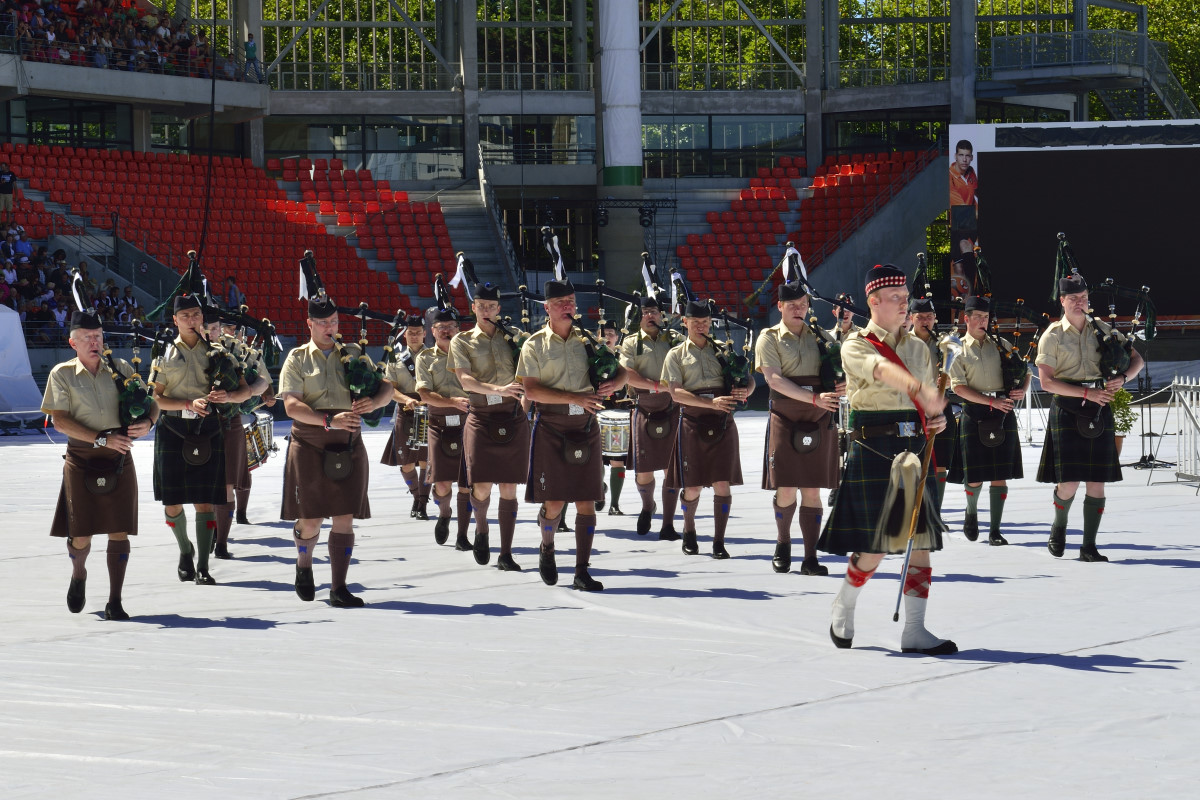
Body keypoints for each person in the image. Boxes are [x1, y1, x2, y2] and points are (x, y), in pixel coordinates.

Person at [817, 264, 956, 656]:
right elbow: (878, 370)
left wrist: (937, 418)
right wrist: (915, 387)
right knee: (876, 546)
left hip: (916, 448)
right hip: (875, 448)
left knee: (921, 541)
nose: (903, 304)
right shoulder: (856, 344)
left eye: (904, 298)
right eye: (895, 298)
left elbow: (928, 398)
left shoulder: (918, 347)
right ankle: (844, 602)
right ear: (873, 302)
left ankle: (915, 630)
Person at [42, 309, 158, 619]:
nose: (95, 342)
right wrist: (100, 439)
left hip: (119, 458)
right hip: (82, 458)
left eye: (98, 336)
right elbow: (60, 421)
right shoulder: (61, 374)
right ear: (73, 342)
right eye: (87, 338)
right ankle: (79, 572)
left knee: (118, 530)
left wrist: (147, 422)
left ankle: (115, 601)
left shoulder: (119, 369)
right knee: (82, 533)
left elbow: (152, 402)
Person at [278, 292, 392, 607]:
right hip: (310, 443)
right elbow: (291, 406)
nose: (330, 327)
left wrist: (375, 402)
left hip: (349, 442)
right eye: (323, 322)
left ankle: (338, 588)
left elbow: (387, 387)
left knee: (345, 517)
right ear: (310, 324)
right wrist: (329, 420)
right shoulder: (298, 358)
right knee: (311, 520)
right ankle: (304, 563)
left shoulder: (355, 353)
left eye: (334, 321)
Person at [517, 277, 625, 591]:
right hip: (551, 425)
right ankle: (547, 547)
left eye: (572, 302)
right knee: (553, 503)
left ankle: (581, 571)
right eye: (562, 303)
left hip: (586, 425)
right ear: (547, 308)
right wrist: (573, 398)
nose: (569, 307)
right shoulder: (534, 344)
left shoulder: (588, 340)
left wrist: (613, 384)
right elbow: (532, 390)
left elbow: (619, 371)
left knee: (586, 502)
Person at [1035, 271, 1144, 562]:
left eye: (1083, 298)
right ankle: (1059, 527)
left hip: (1099, 408)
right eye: (1073, 299)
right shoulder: (1052, 335)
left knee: (1097, 480)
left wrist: (1122, 378)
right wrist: (1085, 394)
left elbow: (1137, 359)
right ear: (1062, 301)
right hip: (1069, 408)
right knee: (1068, 482)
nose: (1079, 303)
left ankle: (1089, 546)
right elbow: (1046, 382)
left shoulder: (1104, 330)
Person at [150, 294, 251, 585]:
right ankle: (185, 550)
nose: (192, 320)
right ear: (175, 320)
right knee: (172, 503)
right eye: (185, 316)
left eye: (196, 315)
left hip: (208, 429)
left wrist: (229, 396)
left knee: (205, 502)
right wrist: (186, 403)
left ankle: (204, 566)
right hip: (174, 430)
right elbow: (156, 398)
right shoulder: (164, 355)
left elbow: (245, 391)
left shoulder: (220, 352)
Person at [756, 282, 844, 575]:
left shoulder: (822, 337)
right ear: (779, 306)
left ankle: (810, 558)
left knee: (812, 489)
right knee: (785, 488)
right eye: (791, 305)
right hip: (785, 415)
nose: (798, 309)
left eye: (803, 304)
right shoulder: (768, 338)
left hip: (819, 417)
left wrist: (842, 384)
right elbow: (774, 381)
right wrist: (814, 397)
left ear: (809, 305)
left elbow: (840, 372)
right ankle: (783, 542)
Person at [448, 283, 530, 570]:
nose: (486, 310)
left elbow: (529, 378)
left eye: (491, 306)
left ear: (499, 309)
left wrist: (523, 407)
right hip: (481, 417)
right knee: (481, 486)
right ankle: (481, 528)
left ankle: (506, 553)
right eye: (481, 305)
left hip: (513, 416)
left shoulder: (515, 339)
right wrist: (500, 389)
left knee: (509, 486)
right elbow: (466, 381)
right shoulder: (462, 341)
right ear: (473, 308)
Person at [660, 299, 751, 558]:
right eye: (696, 322)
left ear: (711, 323)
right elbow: (676, 393)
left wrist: (745, 390)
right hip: (693, 420)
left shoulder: (724, 350)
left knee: (722, 484)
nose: (701, 326)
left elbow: (749, 379)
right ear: (685, 322)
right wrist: (709, 402)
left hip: (722, 420)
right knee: (693, 486)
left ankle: (719, 542)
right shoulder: (675, 354)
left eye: (706, 322)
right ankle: (689, 531)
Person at [947, 295, 1029, 546]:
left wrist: (1022, 389)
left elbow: (1025, 371)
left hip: (1002, 411)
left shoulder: (1002, 344)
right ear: (967, 319)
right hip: (975, 413)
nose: (983, 321)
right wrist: (990, 402)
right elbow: (959, 388)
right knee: (974, 475)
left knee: (1000, 473)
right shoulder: (956, 348)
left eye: (986, 317)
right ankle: (971, 512)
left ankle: (995, 530)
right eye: (978, 317)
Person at [617, 295, 682, 540]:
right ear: (640, 316)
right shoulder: (631, 343)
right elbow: (627, 374)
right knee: (644, 471)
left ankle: (668, 525)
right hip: (644, 404)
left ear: (661, 315)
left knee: (670, 468)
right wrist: (657, 386)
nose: (650, 315)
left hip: (672, 406)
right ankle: (647, 506)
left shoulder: (673, 340)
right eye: (646, 312)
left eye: (654, 311)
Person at [209, 313, 271, 558]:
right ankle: (210, 532)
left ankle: (222, 539)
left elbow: (263, 381)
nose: (211, 333)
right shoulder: (189, 354)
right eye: (208, 329)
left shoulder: (236, 354)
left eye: (215, 328)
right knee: (204, 486)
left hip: (230, 419)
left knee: (228, 481)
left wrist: (245, 395)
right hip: (198, 424)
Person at [416, 307, 474, 551]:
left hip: (469, 423)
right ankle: (445, 513)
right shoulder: (425, 358)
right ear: (433, 331)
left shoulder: (470, 354)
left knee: (466, 483)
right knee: (441, 485)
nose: (447, 331)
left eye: (451, 327)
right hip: (439, 423)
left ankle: (462, 535)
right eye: (441, 327)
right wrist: (452, 402)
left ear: (458, 329)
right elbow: (424, 393)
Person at [380, 313, 431, 519]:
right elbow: (390, 389)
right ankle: (416, 497)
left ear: (425, 334)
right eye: (411, 333)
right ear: (405, 335)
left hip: (429, 411)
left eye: (418, 333)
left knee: (427, 461)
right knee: (406, 462)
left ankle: (423, 504)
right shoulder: (395, 358)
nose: (414, 336)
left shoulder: (435, 356)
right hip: (405, 410)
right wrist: (406, 400)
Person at [909, 296, 956, 509]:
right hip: (911, 407)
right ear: (911, 318)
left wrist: (947, 381)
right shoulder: (903, 342)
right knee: (912, 460)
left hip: (938, 406)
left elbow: (957, 373)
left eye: (929, 317)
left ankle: (935, 511)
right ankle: (914, 510)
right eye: (920, 317)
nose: (925, 321)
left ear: (935, 319)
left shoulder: (943, 344)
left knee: (940, 463)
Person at [598, 319, 628, 515]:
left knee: (618, 460)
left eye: (611, 334)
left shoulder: (624, 358)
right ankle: (599, 489)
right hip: (594, 410)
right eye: (603, 333)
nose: (607, 337)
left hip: (617, 411)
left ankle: (614, 504)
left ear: (617, 338)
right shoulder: (590, 356)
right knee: (596, 460)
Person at [949, 139, 978, 212]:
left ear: (972, 157)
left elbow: (976, 191)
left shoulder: (971, 171)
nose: (964, 159)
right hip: (960, 221)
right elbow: (963, 210)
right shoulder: (949, 178)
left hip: (975, 219)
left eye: (967, 156)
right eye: (961, 155)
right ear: (955, 156)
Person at [0, 162, 16, 230]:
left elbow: (15, 185)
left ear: (7, 166)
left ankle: (8, 223)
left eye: (3, 167)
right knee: (0, 209)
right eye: (1, 167)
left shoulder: (12, 174)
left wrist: (17, 195)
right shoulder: (0, 173)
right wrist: (1, 183)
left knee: (9, 210)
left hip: (9, 194)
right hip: (1, 193)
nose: (2, 168)